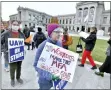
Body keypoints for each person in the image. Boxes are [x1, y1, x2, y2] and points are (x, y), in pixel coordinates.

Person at [33, 23, 63, 90]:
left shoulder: (60, 44)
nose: (59, 34)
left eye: (60, 32)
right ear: (50, 33)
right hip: (45, 81)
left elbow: (62, 60)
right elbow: (36, 64)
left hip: (57, 78)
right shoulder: (42, 46)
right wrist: (50, 76)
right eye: (57, 32)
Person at [1, 20, 25, 87]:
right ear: (11, 25)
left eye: (17, 25)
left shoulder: (21, 34)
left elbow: (24, 42)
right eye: (14, 24)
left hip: (19, 54)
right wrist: (5, 50)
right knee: (12, 67)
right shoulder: (6, 33)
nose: (16, 26)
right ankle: (12, 79)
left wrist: (28, 42)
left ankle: (18, 78)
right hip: (11, 55)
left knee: (19, 67)